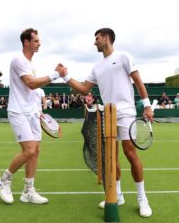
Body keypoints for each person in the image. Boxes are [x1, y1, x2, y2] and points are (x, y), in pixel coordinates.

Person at [56, 28, 154, 217]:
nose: (95, 42)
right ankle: (117, 195)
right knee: (112, 157)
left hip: (126, 113)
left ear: (107, 38)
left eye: (97, 38)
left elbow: (138, 81)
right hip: (108, 114)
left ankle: (142, 198)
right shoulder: (97, 67)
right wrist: (66, 76)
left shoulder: (124, 56)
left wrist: (148, 106)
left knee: (130, 153)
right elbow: (84, 89)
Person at [0, 28, 65, 205]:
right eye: (36, 41)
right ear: (26, 42)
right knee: (29, 150)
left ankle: (28, 191)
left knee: (36, 151)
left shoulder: (30, 64)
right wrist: (55, 74)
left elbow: (30, 92)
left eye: (38, 41)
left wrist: (38, 111)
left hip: (32, 113)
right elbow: (31, 84)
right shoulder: (18, 60)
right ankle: (4, 181)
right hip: (18, 112)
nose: (39, 43)